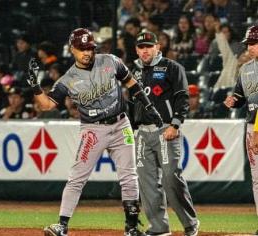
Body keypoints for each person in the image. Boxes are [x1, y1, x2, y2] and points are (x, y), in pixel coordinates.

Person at [27, 28, 163, 236]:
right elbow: (46, 105)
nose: (87, 52)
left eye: (90, 47)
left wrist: (148, 106)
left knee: (129, 176)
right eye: (82, 49)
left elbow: (132, 83)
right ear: (72, 49)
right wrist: (36, 87)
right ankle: (62, 225)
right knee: (77, 178)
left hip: (120, 125)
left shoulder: (110, 61)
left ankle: (132, 227)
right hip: (93, 129)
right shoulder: (68, 79)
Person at [130, 30, 200, 236]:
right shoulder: (133, 72)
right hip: (142, 132)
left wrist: (175, 124)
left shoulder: (172, 67)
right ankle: (159, 228)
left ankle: (190, 223)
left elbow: (182, 97)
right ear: (136, 49)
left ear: (158, 47)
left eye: (149, 47)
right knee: (147, 183)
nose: (145, 51)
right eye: (141, 48)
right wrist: (132, 129)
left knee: (171, 178)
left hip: (165, 129)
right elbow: (131, 103)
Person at [225, 25, 258, 236]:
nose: (251, 48)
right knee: (257, 179)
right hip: (251, 126)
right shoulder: (246, 69)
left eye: (254, 43)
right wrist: (233, 100)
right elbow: (240, 96)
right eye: (249, 44)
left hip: (257, 127)